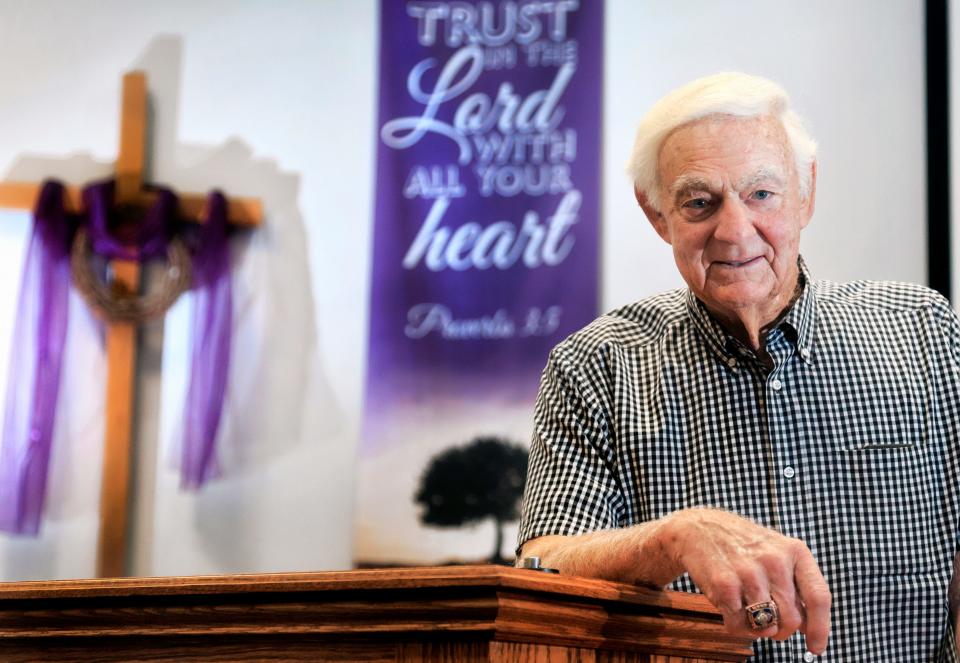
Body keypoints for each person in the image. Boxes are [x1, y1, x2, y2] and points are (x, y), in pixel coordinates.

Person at [516, 72, 960, 662]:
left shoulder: (924, 331)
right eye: (699, 201)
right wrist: (675, 537)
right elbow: (543, 563)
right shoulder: (596, 366)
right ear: (656, 215)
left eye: (762, 194)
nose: (733, 230)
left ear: (807, 193)